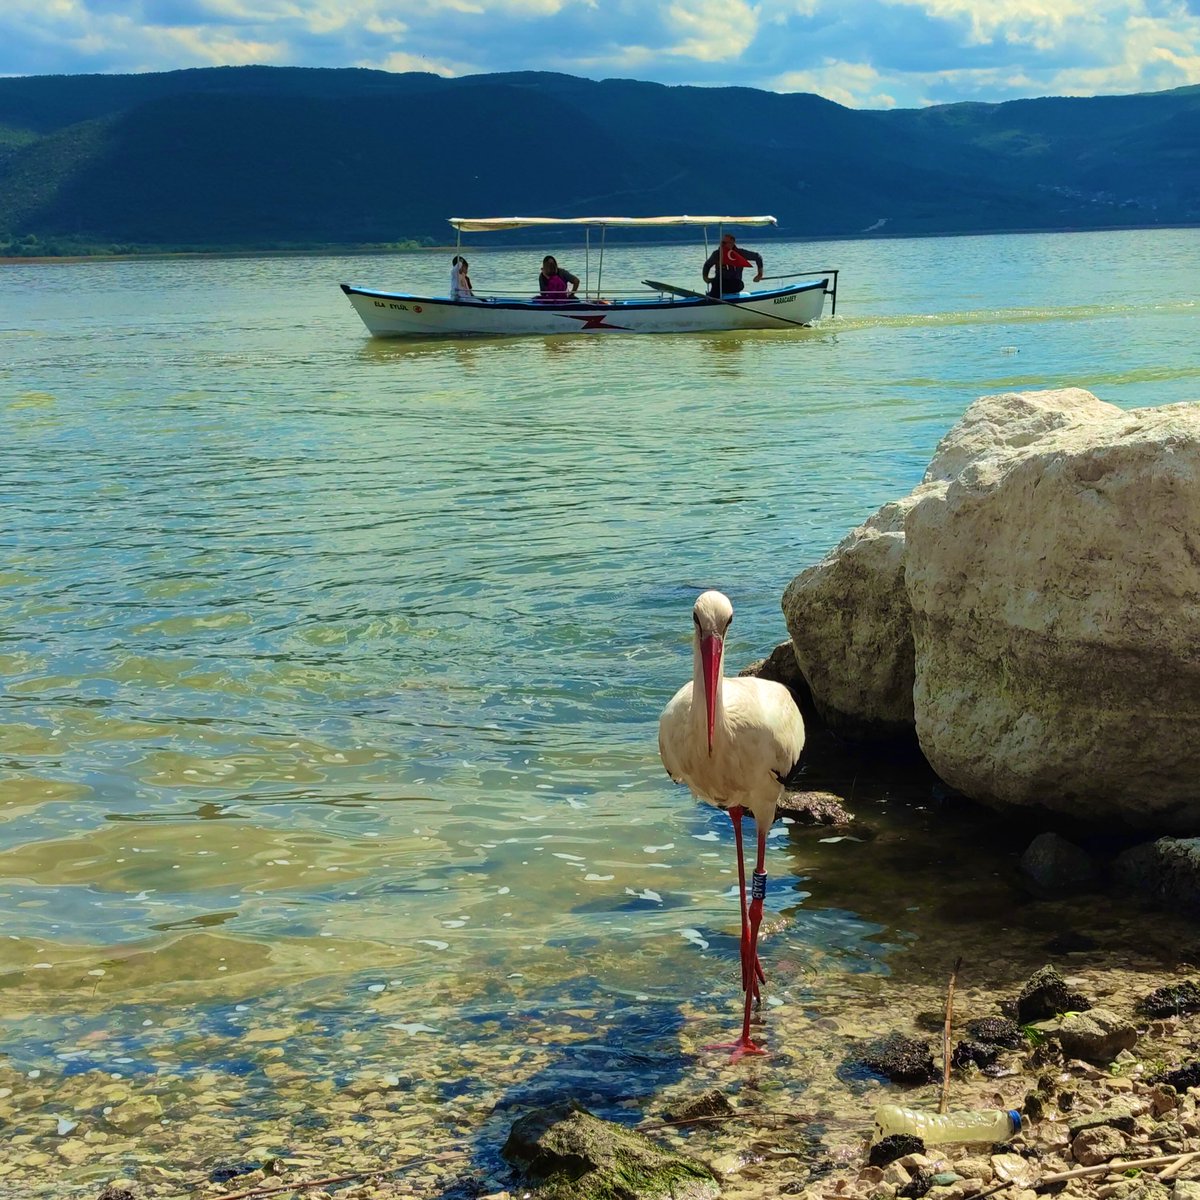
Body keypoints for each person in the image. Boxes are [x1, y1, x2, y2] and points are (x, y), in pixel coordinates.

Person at [702, 233, 764, 297]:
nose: (722, 245)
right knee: (716, 282)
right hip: (720, 283)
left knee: (740, 284)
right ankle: (711, 300)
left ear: (732, 243)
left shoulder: (740, 253)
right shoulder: (717, 254)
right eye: (722, 242)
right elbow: (707, 265)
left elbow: (758, 257)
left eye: (725, 243)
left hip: (735, 282)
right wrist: (705, 277)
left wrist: (759, 274)